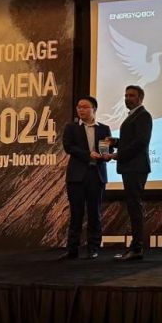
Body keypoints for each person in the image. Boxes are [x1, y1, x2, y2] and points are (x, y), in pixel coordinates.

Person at [104, 85, 152, 261]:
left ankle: (137, 248)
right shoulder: (133, 115)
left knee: (134, 207)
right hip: (131, 167)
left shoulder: (143, 115)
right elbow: (131, 140)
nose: (127, 98)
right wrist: (116, 142)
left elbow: (140, 142)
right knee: (133, 206)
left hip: (136, 167)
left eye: (131, 95)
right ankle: (135, 247)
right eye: (126, 95)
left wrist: (117, 155)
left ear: (140, 98)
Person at [60, 96, 112, 260]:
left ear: (93, 109)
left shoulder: (104, 129)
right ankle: (72, 249)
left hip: (96, 175)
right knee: (76, 213)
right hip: (77, 176)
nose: (80, 110)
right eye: (79, 107)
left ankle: (93, 248)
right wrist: (88, 154)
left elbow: (105, 150)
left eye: (84, 107)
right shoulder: (71, 128)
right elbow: (69, 147)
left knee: (94, 213)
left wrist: (106, 155)